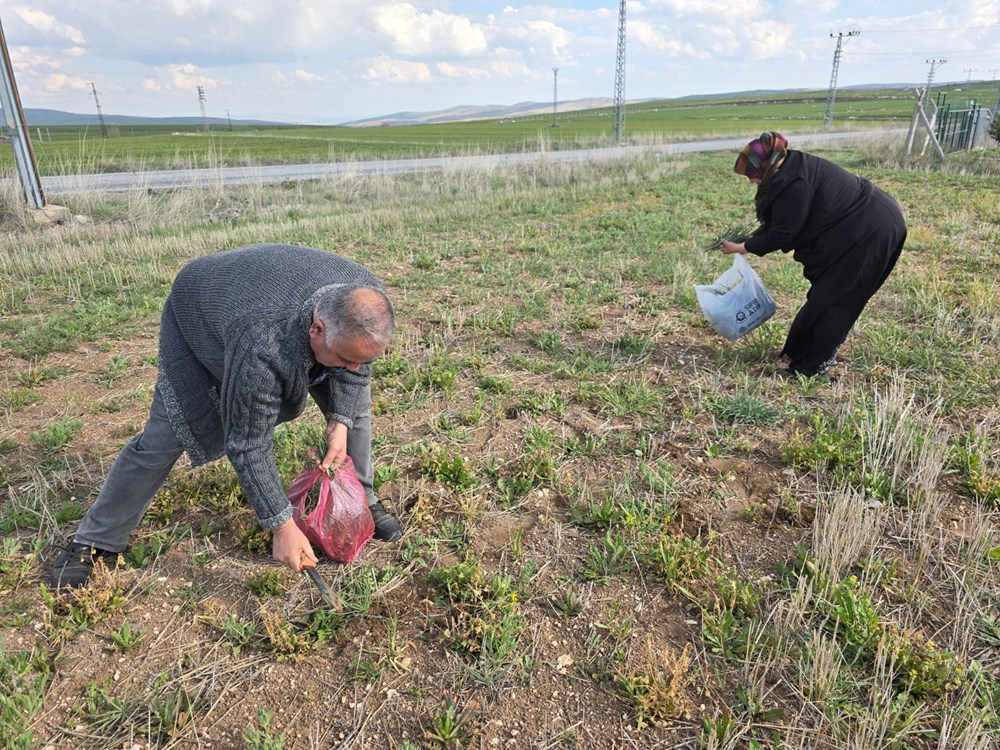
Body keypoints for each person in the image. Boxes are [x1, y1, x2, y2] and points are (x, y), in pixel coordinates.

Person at [50, 243, 403, 589]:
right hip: (201, 316)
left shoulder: (363, 300)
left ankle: (363, 502)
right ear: (318, 329)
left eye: (365, 358)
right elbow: (248, 442)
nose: (356, 368)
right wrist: (282, 526)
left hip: (272, 305)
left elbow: (356, 366)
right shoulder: (262, 340)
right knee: (165, 436)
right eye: (346, 358)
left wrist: (340, 422)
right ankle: (96, 540)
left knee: (355, 413)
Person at [721, 131, 906, 379]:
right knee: (825, 296)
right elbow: (782, 222)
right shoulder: (788, 166)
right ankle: (803, 354)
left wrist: (743, 247)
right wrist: (751, 239)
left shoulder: (792, 182)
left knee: (836, 300)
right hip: (863, 222)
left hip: (871, 229)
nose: (752, 181)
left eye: (753, 175)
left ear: (764, 165)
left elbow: (783, 233)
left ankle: (811, 370)